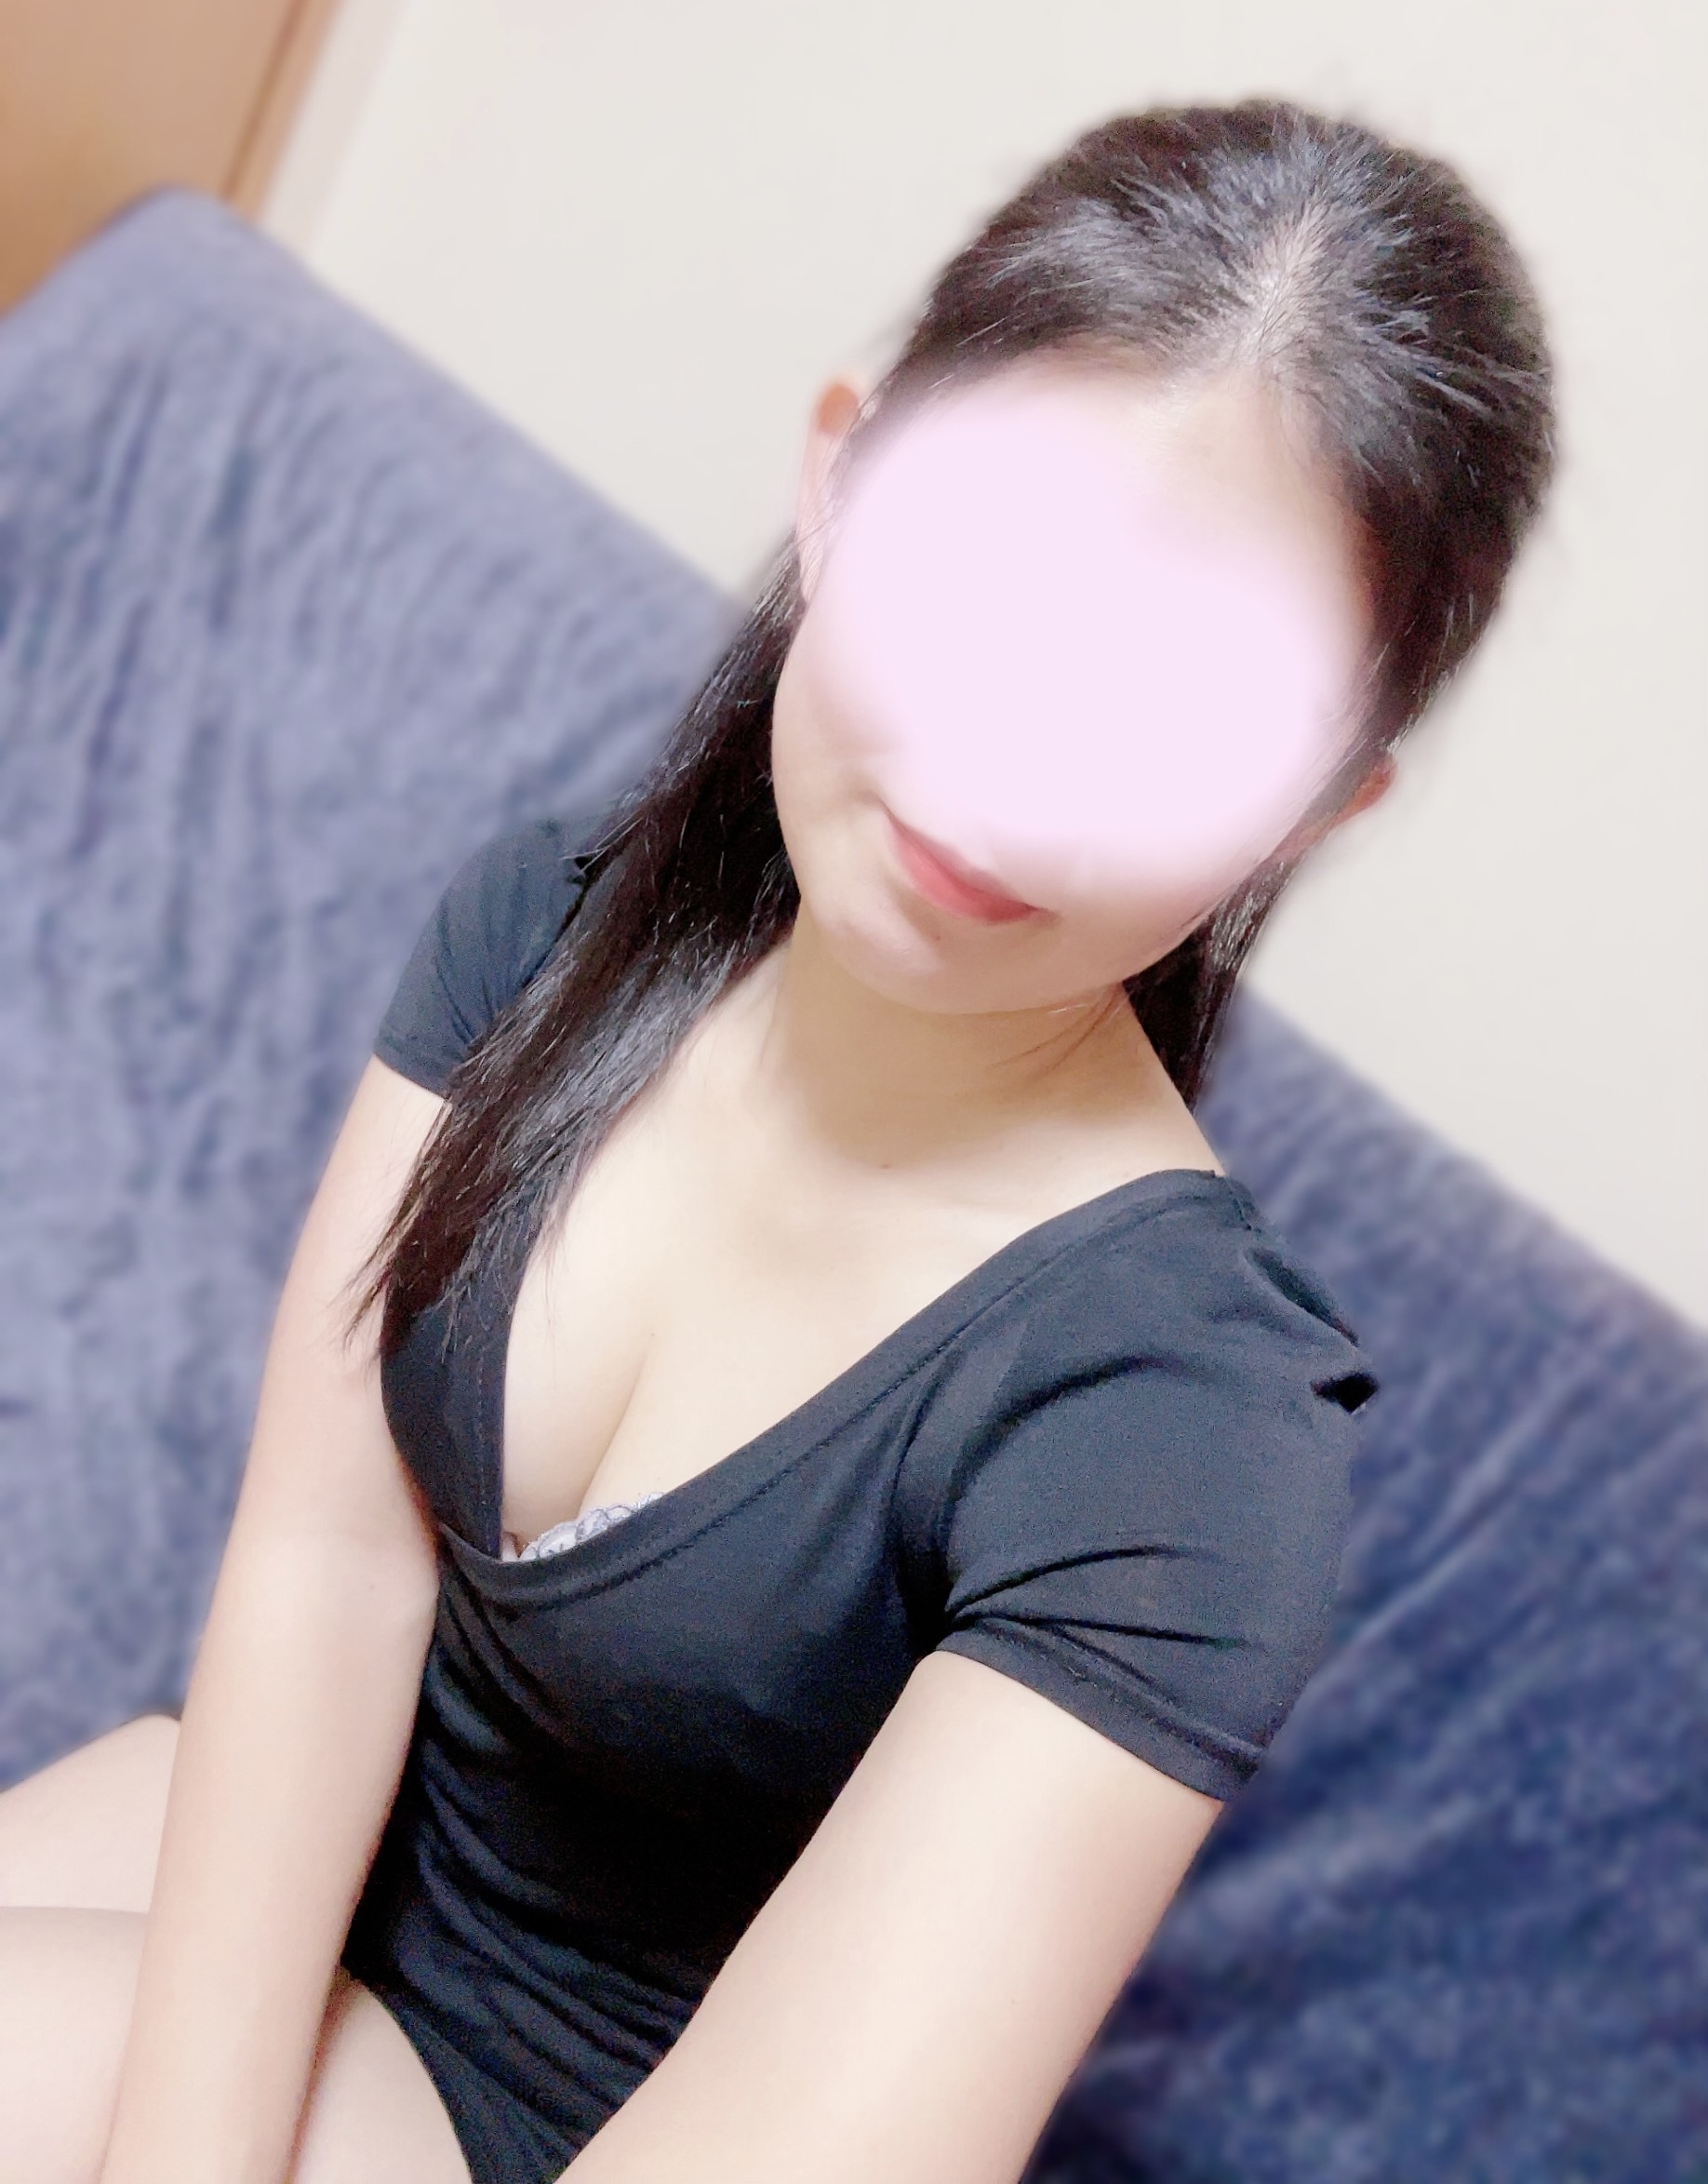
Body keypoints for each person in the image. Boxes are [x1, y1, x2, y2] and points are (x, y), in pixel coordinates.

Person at [0, 98, 1553, 2184]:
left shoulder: (1182, 1445)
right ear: (840, 477)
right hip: (278, 1896)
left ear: (1318, 799)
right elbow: (329, 1563)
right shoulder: (549, 934)